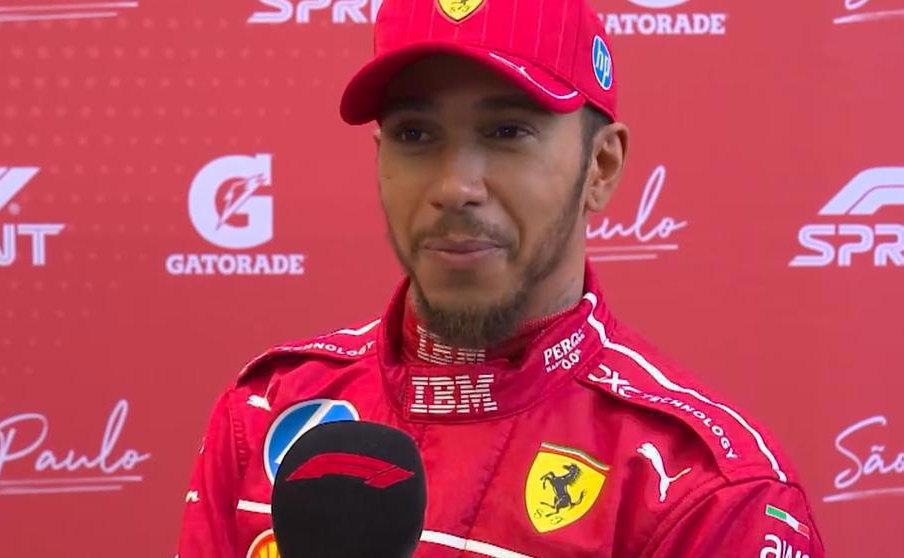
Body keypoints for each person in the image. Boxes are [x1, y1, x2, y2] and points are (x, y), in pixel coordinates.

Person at [176, 0, 825, 555]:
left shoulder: (708, 492)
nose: (455, 186)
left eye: (507, 131)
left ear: (600, 167)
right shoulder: (264, 412)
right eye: (415, 134)